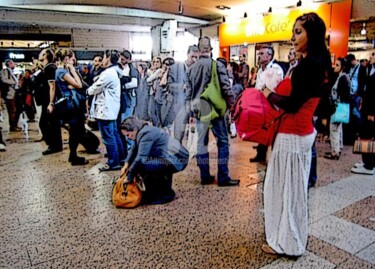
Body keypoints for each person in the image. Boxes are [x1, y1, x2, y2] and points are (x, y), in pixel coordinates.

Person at [261, 13, 332, 256]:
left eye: (299, 32)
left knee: (284, 191)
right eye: (294, 31)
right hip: (302, 134)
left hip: (292, 135)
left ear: (312, 35)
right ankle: (289, 239)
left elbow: (291, 104)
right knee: (294, 191)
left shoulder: (308, 66)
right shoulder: (321, 62)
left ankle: (287, 243)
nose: (293, 37)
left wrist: (267, 93)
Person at [185, 36, 239, 187]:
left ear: (198, 49)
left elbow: (188, 94)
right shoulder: (216, 65)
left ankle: (205, 175)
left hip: (199, 110)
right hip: (214, 109)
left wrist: (190, 112)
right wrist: (231, 104)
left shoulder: (191, 69)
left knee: (201, 144)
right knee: (223, 142)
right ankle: (223, 177)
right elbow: (226, 87)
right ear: (210, 49)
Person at [120, 116, 189, 204]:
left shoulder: (145, 134)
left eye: (128, 135)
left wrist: (129, 176)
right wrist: (126, 164)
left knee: (143, 166)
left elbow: (140, 158)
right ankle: (163, 192)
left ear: (134, 129)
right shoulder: (144, 130)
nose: (128, 138)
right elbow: (134, 148)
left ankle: (164, 195)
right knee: (150, 165)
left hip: (176, 160)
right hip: (173, 158)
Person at [87, 50, 126, 172]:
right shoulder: (114, 72)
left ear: (108, 58)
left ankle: (113, 163)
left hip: (106, 110)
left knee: (108, 137)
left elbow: (95, 89)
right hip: (111, 109)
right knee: (114, 135)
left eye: (103, 57)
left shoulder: (108, 73)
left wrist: (88, 90)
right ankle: (120, 158)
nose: (102, 60)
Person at [53, 49, 88, 165]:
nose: (74, 60)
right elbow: (79, 84)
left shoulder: (62, 71)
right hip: (71, 105)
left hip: (72, 103)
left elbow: (79, 83)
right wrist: (73, 70)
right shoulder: (62, 71)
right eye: (73, 58)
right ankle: (73, 156)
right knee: (76, 130)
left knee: (77, 130)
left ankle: (73, 155)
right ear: (67, 59)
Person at [251, 45, 284, 163]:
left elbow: (275, 87)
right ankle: (260, 154)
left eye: (261, 54)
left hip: (272, 104)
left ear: (269, 56)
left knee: (272, 131)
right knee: (262, 130)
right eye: (259, 54)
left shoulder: (275, 69)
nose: (259, 56)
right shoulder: (260, 70)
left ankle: (274, 157)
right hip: (260, 105)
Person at [351, 51, 375, 175]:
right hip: (366, 108)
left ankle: (369, 165)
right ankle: (368, 161)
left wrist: (372, 113)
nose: (370, 57)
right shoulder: (370, 70)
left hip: (370, 111)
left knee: (367, 136)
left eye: (373, 55)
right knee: (366, 134)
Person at [324, 57, 350, 160]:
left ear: (342, 67)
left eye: (338, 65)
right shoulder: (344, 77)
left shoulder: (342, 78)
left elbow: (341, 94)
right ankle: (338, 148)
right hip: (341, 107)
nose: (335, 67)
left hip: (338, 107)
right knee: (338, 128)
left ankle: (335, 151)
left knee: (334, 129)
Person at [38, 49, 63, 155]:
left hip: (49, 101)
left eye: (41, 53)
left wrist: (51, 103)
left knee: (47, 123)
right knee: (49, 123)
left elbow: (52, 86)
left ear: (45, 55)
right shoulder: (47, 68)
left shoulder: (50, 68)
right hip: (46, 100)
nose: (39, 54)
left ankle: (54, 145)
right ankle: (54, 145)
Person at [1, 59, 20, 132]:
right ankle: (12, 126)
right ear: (9, 64)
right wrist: (14, 82)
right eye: (12, 63)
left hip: (14, 93)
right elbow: (4, 80)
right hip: (9, 94)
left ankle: (14, 125)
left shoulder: (11, 72)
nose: (14, 64)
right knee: (12, 110)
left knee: (14, 110)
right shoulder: (5, 71)